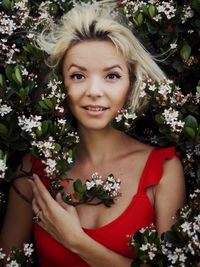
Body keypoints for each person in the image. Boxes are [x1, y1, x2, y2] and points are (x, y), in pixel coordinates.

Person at [0, 1, 186, 266]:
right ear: (61, 85)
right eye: (78, 76)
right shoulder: (33, 169)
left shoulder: (163, 170)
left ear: (130, 82)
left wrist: (76, 241)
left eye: (111, 76)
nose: (94, 91)